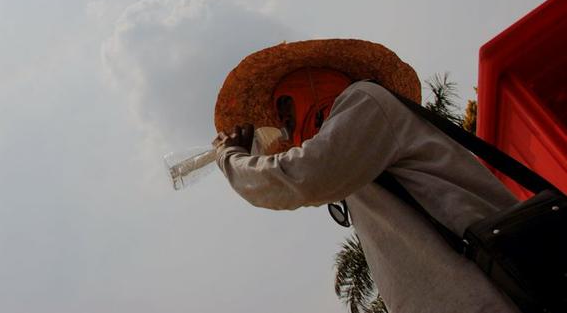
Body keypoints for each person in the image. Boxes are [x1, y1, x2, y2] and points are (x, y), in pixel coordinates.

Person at [211, 39, 520, 313]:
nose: (288, 130)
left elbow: (303, 176)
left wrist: (231, 158)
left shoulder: (365, 101)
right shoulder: (357, 160)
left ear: (312, 86)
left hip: (495, 295)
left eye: (286, 112)